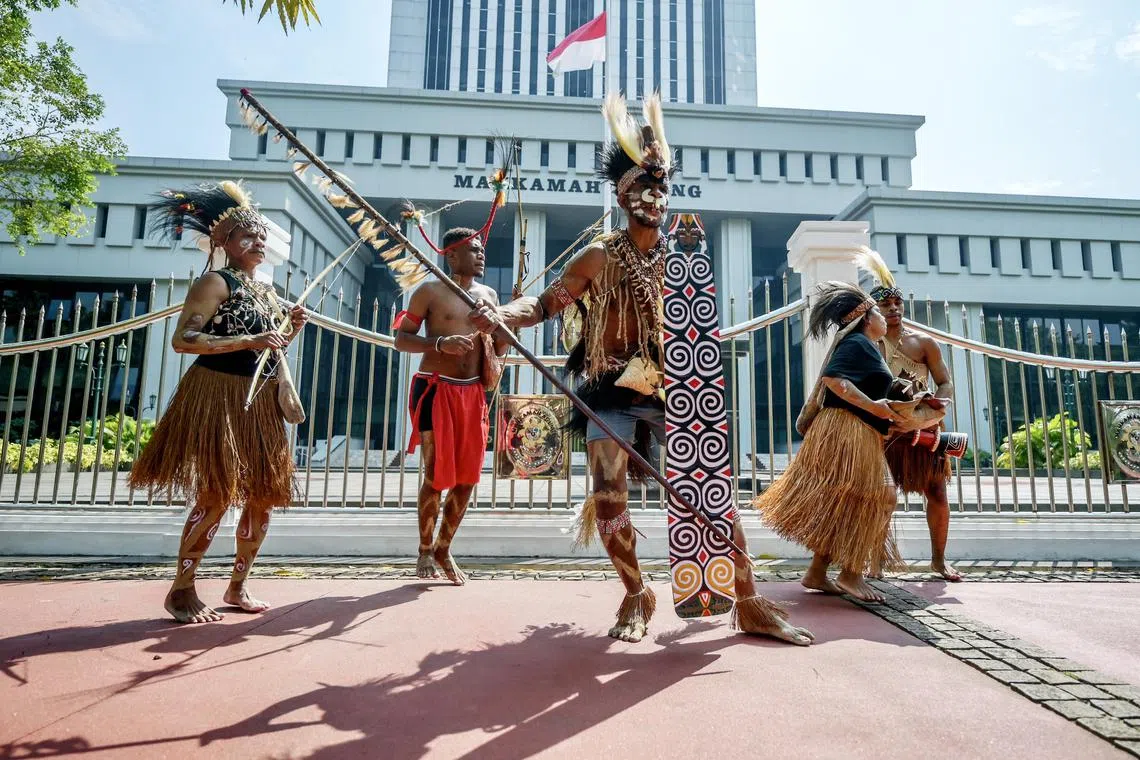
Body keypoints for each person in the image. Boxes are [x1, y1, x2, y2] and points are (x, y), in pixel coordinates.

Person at [470, 93, 813, 646]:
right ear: (622, 194)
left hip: (671, 389)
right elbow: (541, 305)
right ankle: (635, 591)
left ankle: (748, 601)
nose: (654, 197)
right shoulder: (597, 256)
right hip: (608, 389)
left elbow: (699, 329)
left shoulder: (680, 259)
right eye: (643, 188)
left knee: (711, 490)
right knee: (607, 492)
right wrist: (499, 312)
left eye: (661, 187)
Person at [129, 181, 307, 623]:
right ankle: (182, 588)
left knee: (264, 496)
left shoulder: (265, 291)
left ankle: (237, 586)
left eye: (261, 235)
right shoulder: (214, 281)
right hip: (218, 396)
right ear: (223, 242)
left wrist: (290, 332)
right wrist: (250, 337)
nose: (257, 241)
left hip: (261, 401)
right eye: (246, 236)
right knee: (215, 494)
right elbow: (184, 339)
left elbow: (272, 346)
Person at [754, 278, 905, 604]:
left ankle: (818, 572)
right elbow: (834, 380)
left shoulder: (866, 346)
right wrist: (873, 406)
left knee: (845, 501)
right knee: (880, 496)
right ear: (866, 318)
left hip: (852, 430)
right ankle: (850, 574)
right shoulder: (857, 344)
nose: (884, 317)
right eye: (878, 311)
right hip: (845, 431)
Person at [395, 228, 508, 586]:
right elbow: (400, 340)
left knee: (468, 477)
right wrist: (441, 343)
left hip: (473, 393)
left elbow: (501, 348)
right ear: (451, 255)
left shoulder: (489, 295)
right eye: (473, 250)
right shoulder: (428, 291)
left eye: (482, 250)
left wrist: (500, 326)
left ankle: (444, 547)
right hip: (435, 390)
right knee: (435, 473)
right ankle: (425, 548)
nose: (481, 255)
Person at [873, 286, 960, 581]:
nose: (894, 308)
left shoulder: (924, 343)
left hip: (922, 427)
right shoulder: (868, 343)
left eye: (897, 303)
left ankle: (938, 560)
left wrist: (931, 411)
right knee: (881, 496)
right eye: (885, 304)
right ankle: (876, 562)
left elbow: (945, 383)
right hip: (884, 427)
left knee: (937, 492)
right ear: (874, 310)